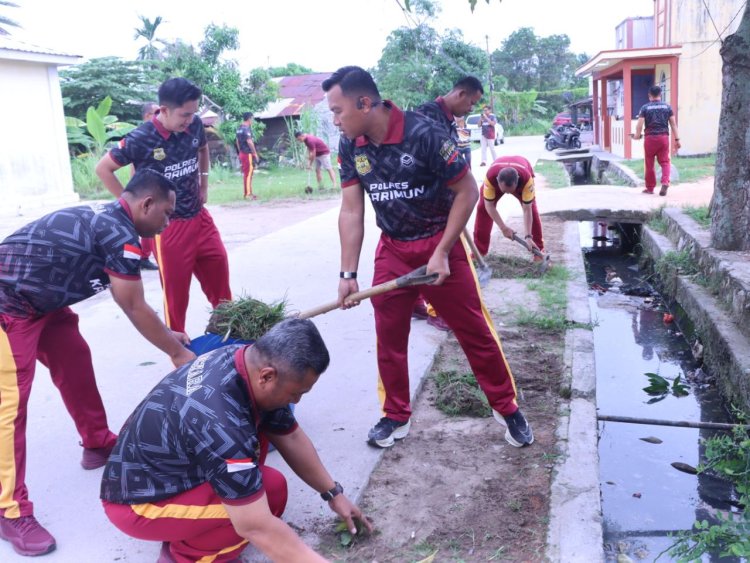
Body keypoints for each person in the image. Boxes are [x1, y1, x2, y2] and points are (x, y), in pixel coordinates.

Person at [323, 66, 533, 451]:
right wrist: (348, 272)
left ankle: (507, 407)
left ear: (364, 103)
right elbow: (351, 210)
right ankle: (395, 415)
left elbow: (468, 191)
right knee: (389, 336)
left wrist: (440, 251)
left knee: (475, 331)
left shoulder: (424, 133)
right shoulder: (351, 145)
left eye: (338, 111)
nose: (335, 120)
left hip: (441, 244)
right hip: (393, 249)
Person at [0, 170, 196, 557]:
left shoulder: (118, 224)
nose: (168, 222)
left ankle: (96, 443)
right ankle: (9, 509)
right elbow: (133, 304)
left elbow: (135, 296)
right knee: (9, 408)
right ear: (146, 205)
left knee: (76, 364)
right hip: (8, 305)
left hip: (44, 304)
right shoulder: (118, 232)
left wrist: (170, 335)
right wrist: (176, 352)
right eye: (167, 214)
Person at [101, 318, 372, 563]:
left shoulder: (242, 360)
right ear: (267, 376)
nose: (297, 401)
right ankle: (185, 557)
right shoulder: (222, 426)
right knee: (254, 514)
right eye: (297, 393)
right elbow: (255, 525)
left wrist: (333, 493)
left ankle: (191, 532)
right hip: (137, 503)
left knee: (272, 489)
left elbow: (289, 435)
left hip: (165, 470)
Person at [96, 77, 232, 334]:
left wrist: (203, 184)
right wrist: (131, 208)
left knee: (222, 289)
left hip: (200, 218)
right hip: (169, 229)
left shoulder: (194, 127)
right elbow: (103, 168)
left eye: (193, 114)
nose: (189, 120)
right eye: (184, 115)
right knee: (176, 300)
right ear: (164, 110)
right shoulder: (141, 138)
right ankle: (179, 357)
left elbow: (203, 149)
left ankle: (232, 339)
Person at [415, 76, 485, 332]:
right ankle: (437, 311)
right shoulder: (428, 116)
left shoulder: (444, 117)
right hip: (428, 202)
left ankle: (415, 300)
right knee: (441, 258)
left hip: (442, 197)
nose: (471, 109)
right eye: (472, 103)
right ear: (461, 94)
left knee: (426, 256)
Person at [473, 156, 545, 258]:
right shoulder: (490, 178)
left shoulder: (526, 180)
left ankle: (539, 251)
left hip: (523, 167)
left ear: (518, 181)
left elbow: (527, 210)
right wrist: (503, 228)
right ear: (497, 181)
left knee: (532, 209)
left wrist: (528, 236)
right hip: (496, 174)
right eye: (504, 191)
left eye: (510, 191)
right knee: (482, 208)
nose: (507, 194)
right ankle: (479, 252)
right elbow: (489, 206)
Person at [633, 85, 681, 196]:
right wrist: (677, 139)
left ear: (649, 95)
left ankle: (650, 188)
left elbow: (639, 124)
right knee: (665, 162)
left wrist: (637, 135)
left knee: (649, 163)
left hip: (650, 139)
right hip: (663, 138)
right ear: (660, 94)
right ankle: (665, 182)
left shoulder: (645, 108)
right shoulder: (667, 107)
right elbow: (673, 124)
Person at [136, 101, 160, 271]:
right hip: (147, 188)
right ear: (147, 116)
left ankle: (144, 256)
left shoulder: (158, 134)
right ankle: (143, 256)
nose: (160, 115)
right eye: (156, 112)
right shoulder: (141, 136)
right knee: (149, 226)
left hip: (157, 188)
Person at [236, 112, 259, 200]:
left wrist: (239, 152)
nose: (252, 120)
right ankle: (248, 194)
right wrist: (255, 153)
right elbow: (249, 142)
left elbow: (237, 141)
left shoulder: (239, 128)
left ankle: (248, 192)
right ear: (249, 119)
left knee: (247, 173)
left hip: (242, 153)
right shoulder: (246, 129)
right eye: (252, 119)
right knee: (248, 173)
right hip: (247, 153)